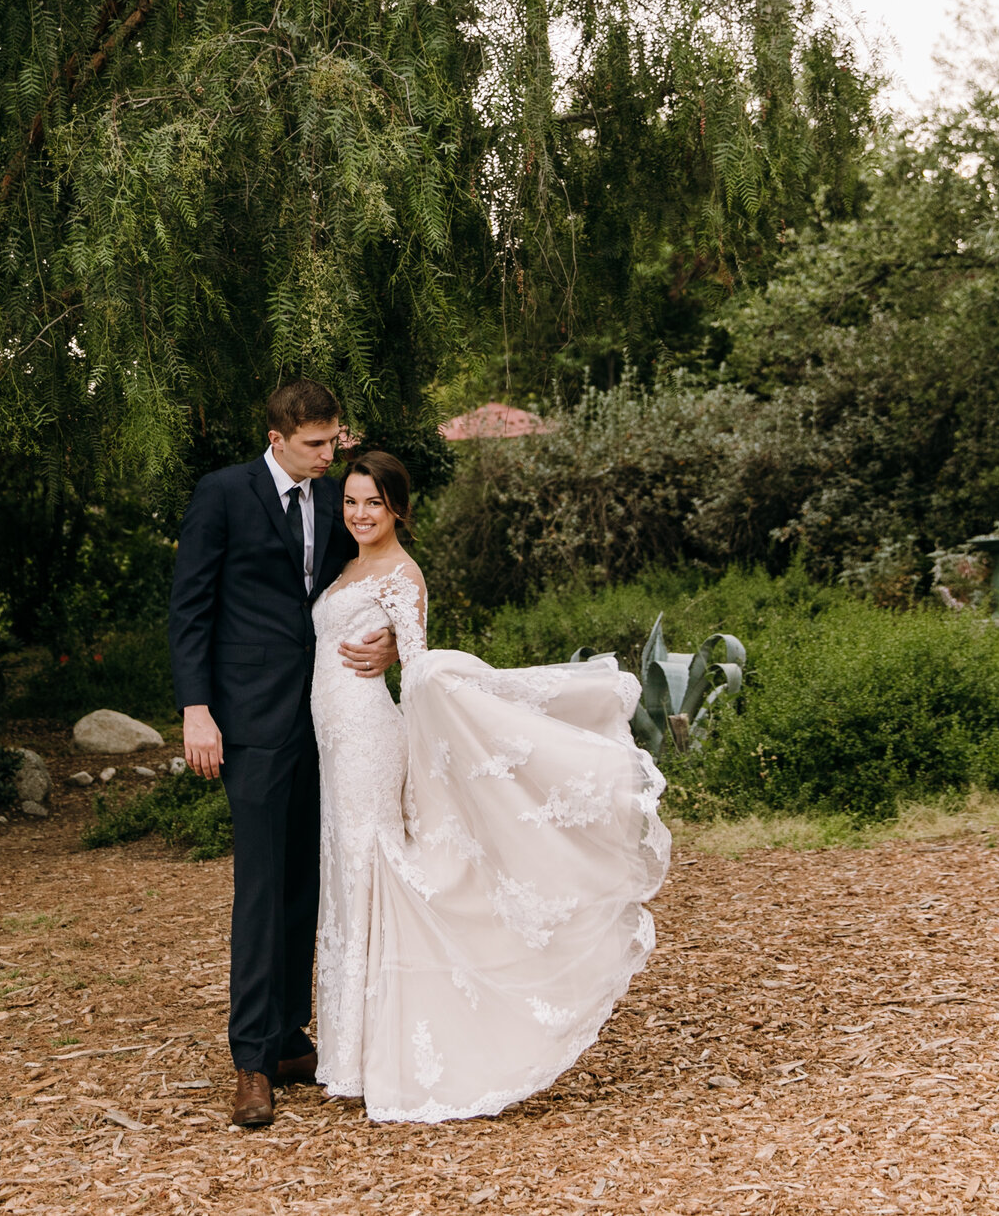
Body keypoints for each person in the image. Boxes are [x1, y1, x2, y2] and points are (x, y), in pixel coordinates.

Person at [310, 449, 670, 1123]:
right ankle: (347, 1051)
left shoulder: (400, 573)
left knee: (370, 870)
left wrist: (423, 759)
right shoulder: (350, 565)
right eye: (352, 502)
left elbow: (417, 673)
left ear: (397, 509)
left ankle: (382, 1052)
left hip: (367, 739)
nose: (360, 514)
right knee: (347, 874)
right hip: (336, 743)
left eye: (373, 503)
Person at [167, 380, 399, 1128]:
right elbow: (190, 604)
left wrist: (394, 635)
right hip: (249, 719)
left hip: (329, 717)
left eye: (335, 441)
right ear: (277, 437)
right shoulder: (223, 494)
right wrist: (195, 708)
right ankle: (251, 1060)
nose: (331, 454)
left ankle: (292, 1034)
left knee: (308, 877)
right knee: (263, 886)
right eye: (316, 444)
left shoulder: (334, 497)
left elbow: (377, 567)